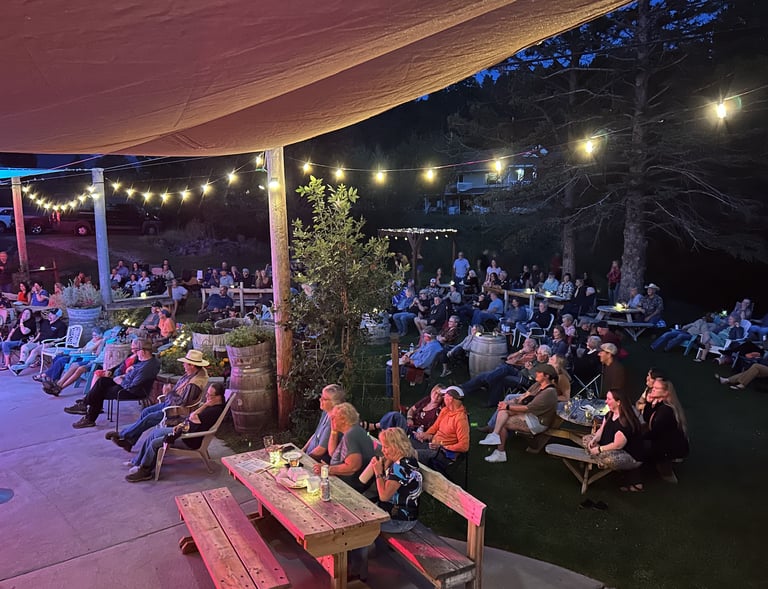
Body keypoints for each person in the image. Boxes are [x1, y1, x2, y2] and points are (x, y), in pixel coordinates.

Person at [106, 348, 209, 451]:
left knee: (149, 418)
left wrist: (169, 393)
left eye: (185, 363)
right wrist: (170, 393)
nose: (183, 365)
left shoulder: (195, 383)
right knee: (146, 411)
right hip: (170, 404)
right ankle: (129, 441)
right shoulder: (191, 374)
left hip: (177, 411)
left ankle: (123, 435)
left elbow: (183, 403)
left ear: (192, 365)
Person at [125, 382, 227, 482]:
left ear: (218, 397)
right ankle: (138, 462)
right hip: (183, 430)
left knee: (155, 443)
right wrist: (181, 425)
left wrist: (204, 405)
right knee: (154, 433)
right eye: (207, 393)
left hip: (189, 439)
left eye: (210, 395)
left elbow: (192, 416)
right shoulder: (212, 405)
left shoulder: (214, 411)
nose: (207, 396)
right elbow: (191, 420)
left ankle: (145, 470)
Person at [67, 339, 161, 428]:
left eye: (135, 351)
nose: (134, 353)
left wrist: (120, 380)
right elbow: (128, 373)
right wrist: (123, 375)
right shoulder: (142, 361)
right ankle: (86, 407)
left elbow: (133, 386)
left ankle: (88, 414)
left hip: (131, 391)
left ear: (143, 351)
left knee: (99, 392)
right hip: (124, 383)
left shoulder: (147, 367)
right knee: (101, 381)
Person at [480, 364, 559, 463]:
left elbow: (528, 408)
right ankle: (495, 437)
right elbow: (523, 398)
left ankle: (499, 450)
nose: (536, 373)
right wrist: (508, 403)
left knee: (502, 422)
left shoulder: (549, 392)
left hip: (538, 421)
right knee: (503, 413)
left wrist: (508, 406)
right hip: (530, 415)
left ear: (547, 376)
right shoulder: (537, 385)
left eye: (539, 372)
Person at [582, 388, 644, 491]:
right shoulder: (610, 414)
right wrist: (595, 440)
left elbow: (617, 445)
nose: (606, 401)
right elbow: (601, 430)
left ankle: (599, 458)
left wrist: (599, 449)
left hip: (629, 455)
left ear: (618, 402)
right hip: (611, 447)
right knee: (586, 439)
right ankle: (598, 457)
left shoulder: (625, 422)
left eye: (609, 399)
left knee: (609, 459)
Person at [369, 427, 422, 533]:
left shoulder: (400, 467)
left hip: (400, 521)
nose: (383, 450)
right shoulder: (408, 459)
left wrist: (378, 472)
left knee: (363, 528)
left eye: (386, 447)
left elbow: (384, 496)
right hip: (399, 516)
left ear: (397, 447)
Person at [312, 402, 374, 492]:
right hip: (346, 479)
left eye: (333, 417)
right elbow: (333, 453)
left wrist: (328, 469)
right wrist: (334, 431)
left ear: (343, 419)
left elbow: (353, 467)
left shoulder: (351, 435)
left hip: (350, 486)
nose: (330, 419)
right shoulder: (352, 430)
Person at [642, 376, 689, 483]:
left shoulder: (666, 411)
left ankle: (666, 472)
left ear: (666, 392)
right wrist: (649, 403)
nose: (652, 389)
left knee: (638, 445)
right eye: (653, 387)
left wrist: (635, 436)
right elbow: (647, 418)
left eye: (656, 388)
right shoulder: (661, 403)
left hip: (668, 447)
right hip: (664, 442)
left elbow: (655, 433)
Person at [411, 386, 469, 464]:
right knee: (405, 443)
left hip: (444, 453)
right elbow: (435, 427)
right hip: (433, 445)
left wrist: (443, 447)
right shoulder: (445, 410)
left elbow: (464, 446)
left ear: (450, 399)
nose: (444, 397)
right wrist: (425, 434)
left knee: (411, 454)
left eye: (445, 395)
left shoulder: (460, 419)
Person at [37, 327, 106, 393]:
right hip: (80, 355)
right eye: (93, 335)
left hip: (85, 358)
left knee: (64, 361)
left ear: (101, 335)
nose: (94, 337)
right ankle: (55, 382)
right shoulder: (93, 340)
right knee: (58, 357)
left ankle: (55, 382)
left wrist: (83, 351)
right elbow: (84, 348)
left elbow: (94, 352)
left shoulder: (101, 342)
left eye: (96, 335)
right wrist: (80, 350)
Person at [365, 385, 444, 436]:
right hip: (408, 423)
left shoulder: (438, 411)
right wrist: (409, 418)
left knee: (395, 416)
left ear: (442, 398)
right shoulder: (427, 399)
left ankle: (374, 427)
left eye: (440, 395)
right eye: (435, 392)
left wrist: (423, 434)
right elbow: (412, 409)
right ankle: (378, 431)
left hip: (415, 432)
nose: (436, 396)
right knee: (395, 418)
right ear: (432, 391)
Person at [384, 327, 442, 397]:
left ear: (430, 336)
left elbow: (422, 364)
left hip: (419, 370)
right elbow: (421, 350)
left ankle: (390, 395)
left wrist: (408, 360)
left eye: (424, 336)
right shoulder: (431, 344)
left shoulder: (432, 348)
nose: (423, 337)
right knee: (393, 363)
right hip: (413, 364)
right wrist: (410, 353)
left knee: (390, 369)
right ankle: (395, 390)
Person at [10, 308, 68, 375]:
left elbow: (60, 339)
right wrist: (33, 340)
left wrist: (50, 344)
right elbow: (40, 333)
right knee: (25, 346)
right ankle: (21, 363)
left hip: (49, 345)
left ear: (58, 316)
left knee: (35, 351)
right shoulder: (45, 322)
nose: (50, 315)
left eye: (53, 314)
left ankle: (23, 367)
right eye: (50, 313)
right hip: (39, 342)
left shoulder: (61, 325)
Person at [302, 384, 346, 461]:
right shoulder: (326, 412)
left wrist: (304, 459)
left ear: (334, 402)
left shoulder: (334, 421)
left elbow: (321, 450)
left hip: (318, 464)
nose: (320, 400)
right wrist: (302, 451)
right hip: (309, 456)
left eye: (324, 398)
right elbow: (315, 435)